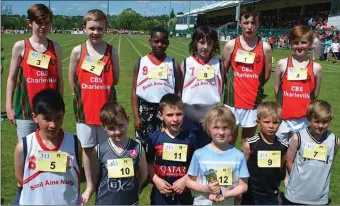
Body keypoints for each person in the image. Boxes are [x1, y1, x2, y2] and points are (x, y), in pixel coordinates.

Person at [68, 9, 120, 202]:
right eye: (91, 28)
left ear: (106, 29)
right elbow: (72, 78)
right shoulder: (77, 51)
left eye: (100, 28)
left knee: (106, 148)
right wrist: (80, 94)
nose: (95, 32)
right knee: (88, 150)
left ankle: (103, 183)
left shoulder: (111, 51)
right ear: (84, 29)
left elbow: (116, 78)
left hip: (107, 111)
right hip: (85, 111)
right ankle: (90, 184)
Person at [13, 89, 81, 205]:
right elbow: (20, 179)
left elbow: (76, 175)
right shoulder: (24, 147)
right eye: (47, 119)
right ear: (35, 117)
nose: (53, 125)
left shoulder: (74, 143)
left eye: (58, 118)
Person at [6, 4, 63, 140]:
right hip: (25, 112)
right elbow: (12, 78)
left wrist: (59, 107)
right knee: (27, 152)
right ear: (30, 23)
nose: (43, 26)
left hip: (50, 113)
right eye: (39, 22)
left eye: (47, 22)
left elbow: (60, 78)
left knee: (48, 151)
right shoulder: (21, 46)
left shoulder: (55, 47)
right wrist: (8, 107)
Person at [223, 7, 272, 146]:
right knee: (229, 139)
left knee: (248, 142)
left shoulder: (265, 47)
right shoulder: (231, 45)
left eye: (253, 23)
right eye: (246, 22)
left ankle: (243, 167)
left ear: (258, 24)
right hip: (232, 100)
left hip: (252, 102)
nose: (249, 26)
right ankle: (229, 167)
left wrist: (252, 84)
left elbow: (266, 74)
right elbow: (224, 70)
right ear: (240, 23)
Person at [82, 101, 147, 204]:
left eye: (120, 125)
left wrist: (134, 188)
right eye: (111, 128)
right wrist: (89, 189)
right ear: (103, 127)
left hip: (130, 202)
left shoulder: (137, 148)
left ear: (128, 120)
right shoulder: (99, 150)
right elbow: (95, 178)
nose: (117, 132)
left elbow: (143, 175)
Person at [186, 105, 249, 205]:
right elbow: (189, 182)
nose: (221, 132)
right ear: (208, 128)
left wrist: (227, 193)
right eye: (216, 127)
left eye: (225, 128)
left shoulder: (238, 156)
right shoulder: (199, 154)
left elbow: (243, 186)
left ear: (232, 128)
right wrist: (206, 188)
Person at [131, 27, 182, 149]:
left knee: (164, 148)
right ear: (150, 41)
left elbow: (178, 92)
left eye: (163, 42)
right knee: (143, 149)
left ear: (168, 43)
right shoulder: (141, 62)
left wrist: (177, 115)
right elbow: (134, 91)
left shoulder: (173, 64)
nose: (160, 45)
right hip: (145, 110)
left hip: (167, 110)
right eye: (156, 41)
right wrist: (136, 117)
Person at [284, 100, 339, 205]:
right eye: (317, 121)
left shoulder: (334, 140)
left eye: (325, 122)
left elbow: (329, 163)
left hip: (319, 197)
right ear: (309, 119)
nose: (321, 125)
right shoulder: (298, 137)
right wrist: (297, 180)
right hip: (296, 195)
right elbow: (289, 161)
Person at [274, 25, 322, 145]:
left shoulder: (316, 68)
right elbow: (276, 88)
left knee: (298, 151)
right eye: (296, 42)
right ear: (291, 43)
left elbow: (315, 94)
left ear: (310, 44)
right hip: (283, 119)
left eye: (304, 42)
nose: (300, 46)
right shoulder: (282, 64)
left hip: (304, 119)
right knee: (279, 151)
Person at [147, 94, 197, 205]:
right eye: (170, 115)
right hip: (160, 193)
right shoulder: (154, 138)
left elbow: (196, 164)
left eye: (179, 114)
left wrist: (186, 179)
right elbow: (148, 162)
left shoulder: (190, 138)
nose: (175, 119)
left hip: (183, 193)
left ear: (184, 114)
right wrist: (156, 179)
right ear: (160, 115)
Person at [181, 25, 222, 148]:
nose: (205, 47)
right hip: (188, 116)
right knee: (188, 150)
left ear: (213, 45)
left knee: (207, 150)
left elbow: (222, 88)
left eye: (209, 43)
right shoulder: (186, 63)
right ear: (195, 43)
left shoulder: (218, 64)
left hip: (210, 116)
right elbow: (179, 89)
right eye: (201, 42)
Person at [241, 101, 288, 205]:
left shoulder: (283, 146)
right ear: (258, 122)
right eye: (267, 122)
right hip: (251, 194)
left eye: (275, 122)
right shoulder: (250, 145)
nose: (271, 126)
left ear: (280, 123)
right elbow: (241, 168)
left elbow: (280, 168)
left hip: (271, 194)